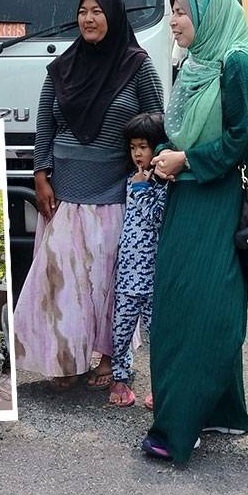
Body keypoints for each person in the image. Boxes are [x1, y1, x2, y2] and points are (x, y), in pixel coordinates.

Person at [13, 0, 164, 391]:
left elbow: (155, 122)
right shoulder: (62, 68)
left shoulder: (137, 65)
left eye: (98, 11)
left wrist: (146, 172)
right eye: (83, 11)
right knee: (63, 282)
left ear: (113, 16)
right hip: (64, 194)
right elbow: (46, 124)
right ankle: (68, 358)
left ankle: (112, 356)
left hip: (115, 193)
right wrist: (41, 174)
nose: (89, 19)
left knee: (108, 281)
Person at [141, 0, 248, 463]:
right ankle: (222, 410)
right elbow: (189, 128)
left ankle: (179, 425)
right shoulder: (196, 62)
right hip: (189, 196)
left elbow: (245, 137)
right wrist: (168, 159)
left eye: (182, 13)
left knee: (190, 310)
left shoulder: (237, 63)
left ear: (209, 17)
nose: (173, 21)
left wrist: (186, 161)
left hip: (216, 200)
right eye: (173, 11)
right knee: (199, 302)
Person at [108, 113, 169, 408]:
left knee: (157, 333)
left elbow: (156, 218)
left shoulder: (164, 184)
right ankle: (120, 376)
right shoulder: (130, 180)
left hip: (155, 274)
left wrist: (145, 186)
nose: (137, 154)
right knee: (121, 327)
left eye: (143, 147)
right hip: (128, 273)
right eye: (133, 148)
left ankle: (162, 384)